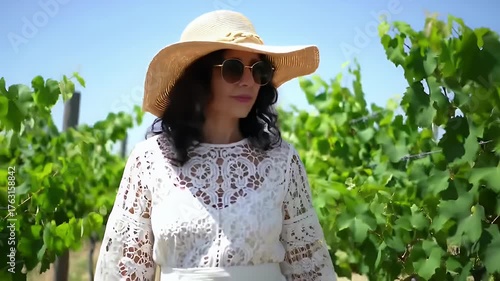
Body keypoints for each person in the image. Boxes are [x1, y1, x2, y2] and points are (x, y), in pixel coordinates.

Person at [93, 9, 336, 281]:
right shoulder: (150, 160)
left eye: (259, 70)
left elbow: (310, 268)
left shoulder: (282, 160)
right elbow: (122, 271)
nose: (248, 81)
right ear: (198, 79)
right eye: (233, 69)